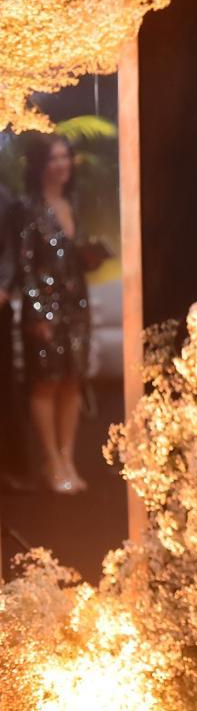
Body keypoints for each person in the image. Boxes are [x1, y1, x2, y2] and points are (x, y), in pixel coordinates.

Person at [18, 134, 93, 495]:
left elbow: (73, 258)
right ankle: (50, 459)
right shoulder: (28, 209)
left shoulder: (73, 203)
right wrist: (37, 312)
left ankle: (67, 458)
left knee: (73, 381)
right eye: (54, 158)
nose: (62, 164)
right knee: (46, 382)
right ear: (40, 165)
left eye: (66, 157)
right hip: (44, 310)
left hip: (76, 305)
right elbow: (25, 266)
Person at [0, 178, 33, 494]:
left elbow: (12, 250)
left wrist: (4, 289)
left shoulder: (4, 198)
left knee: (3, 387)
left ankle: (12, 466)